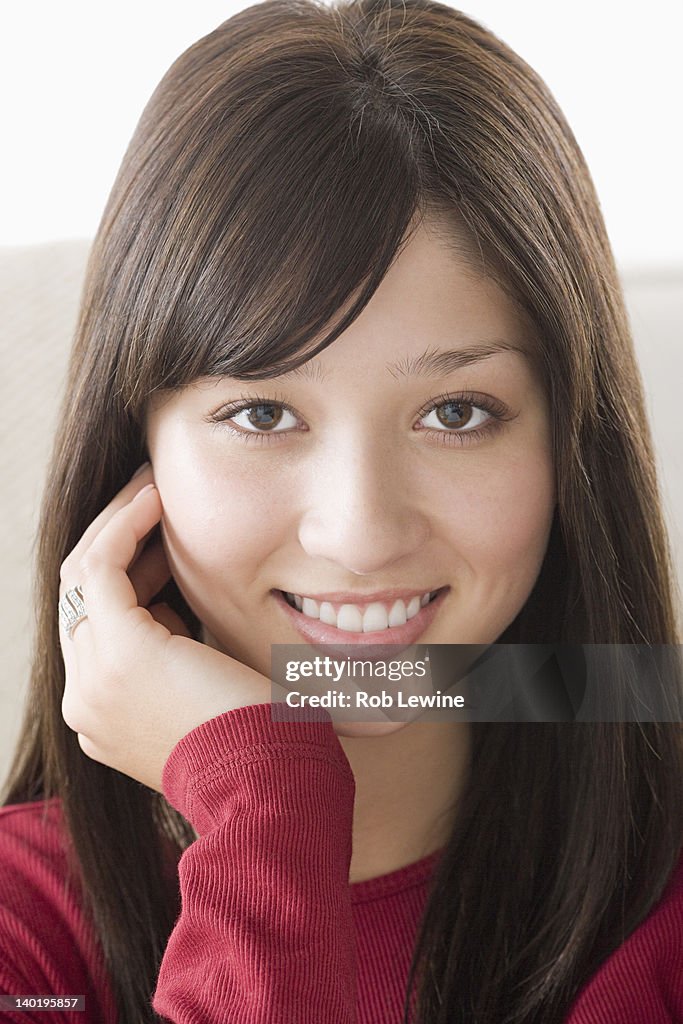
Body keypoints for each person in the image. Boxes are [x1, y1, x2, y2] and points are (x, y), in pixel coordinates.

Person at [1, 0, 682, 1021]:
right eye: (262, 411)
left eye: (456, 412)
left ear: (567, 448)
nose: (359, 533)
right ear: (136, 448)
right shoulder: (26, 932)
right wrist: (261, 799)